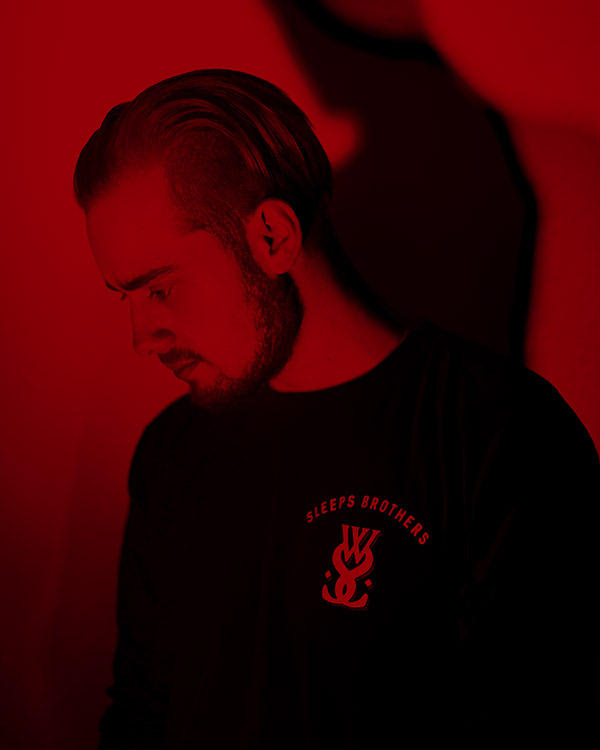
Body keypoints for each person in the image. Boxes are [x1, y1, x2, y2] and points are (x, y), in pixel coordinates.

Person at [74, 69, 599, 748]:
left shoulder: (502, 434)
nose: (142, 339)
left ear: (271, 236)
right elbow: (142, 714)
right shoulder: (171, 451)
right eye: (128, 297)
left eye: (161, 289)